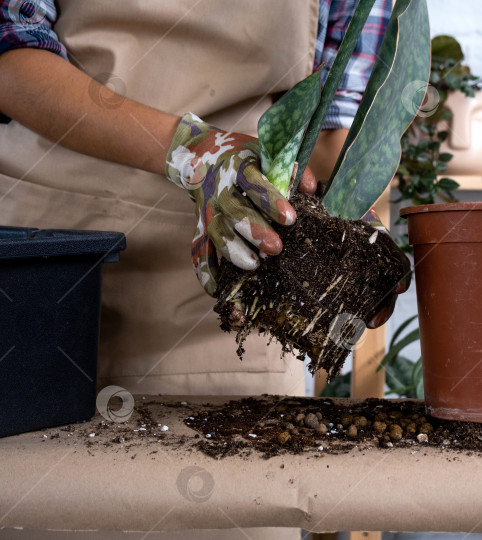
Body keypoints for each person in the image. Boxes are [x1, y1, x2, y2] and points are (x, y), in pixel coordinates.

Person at [0, 0, 404, 407]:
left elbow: (333, 118)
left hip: (230, 279)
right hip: (46, 268)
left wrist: (343, 217)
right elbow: (11, 54)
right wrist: (191, 150)